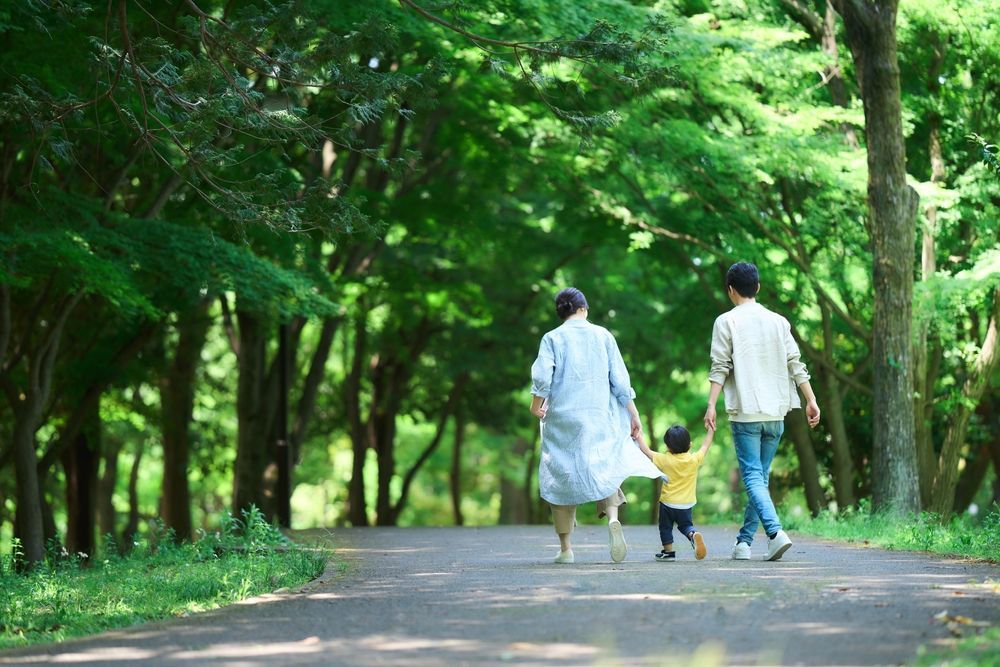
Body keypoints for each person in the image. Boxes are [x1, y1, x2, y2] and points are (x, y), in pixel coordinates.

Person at [530, 287, 665, 564]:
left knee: (561, 475)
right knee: (604, 465)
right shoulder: (603, 335)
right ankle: (613, 518)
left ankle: (566, 549)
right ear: (583, 309)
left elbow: (543, 375)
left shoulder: (552, 338)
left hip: (563, 418)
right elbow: (619, 379)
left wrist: (536, 405)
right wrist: (633, 413)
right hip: (598, 415)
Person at [704, 262, 821, 562]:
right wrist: (811, 399)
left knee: (754, 479)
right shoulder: (779, 322)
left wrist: (711, 405)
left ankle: (775, 533)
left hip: (746, 414)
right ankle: (743, 543)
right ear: (757, 287)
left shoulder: (725, 322)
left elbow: (720, 366)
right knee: (760, 480)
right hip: (776, 413)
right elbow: (796, 363)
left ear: (731, 290)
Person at [634, 424, 715, 561]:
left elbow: (646, 451)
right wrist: (711, 430)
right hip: (686, 504)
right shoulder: (694, 459)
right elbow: (705, 446)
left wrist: (638, 434)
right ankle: (692, 534)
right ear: (689, 444)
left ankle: (669, 553)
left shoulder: (665, 460)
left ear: (668, 446)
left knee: (665, 528)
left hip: (668, 503)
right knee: (685, 525)